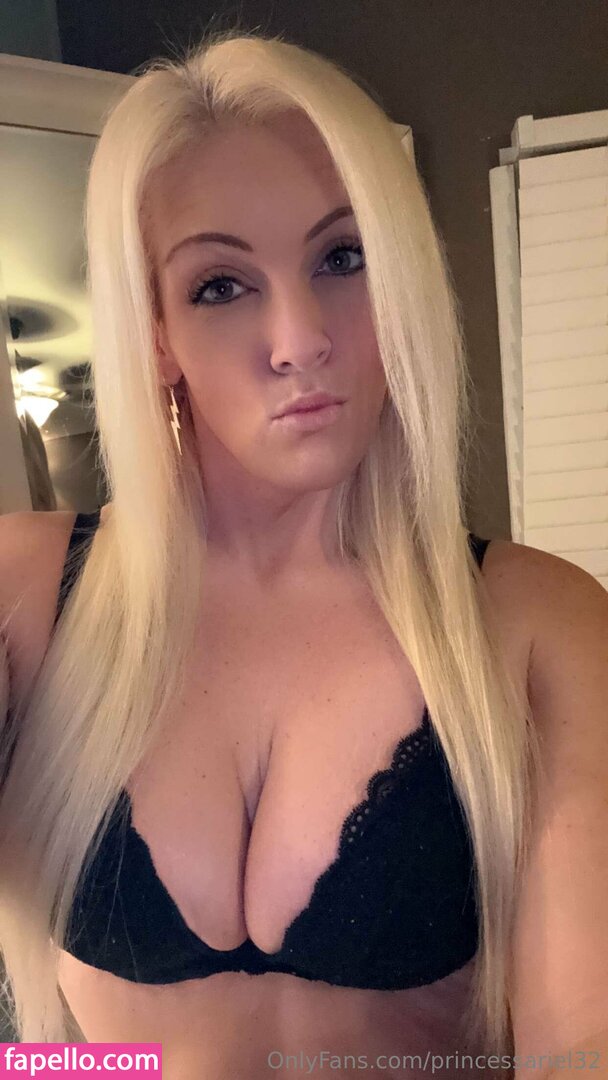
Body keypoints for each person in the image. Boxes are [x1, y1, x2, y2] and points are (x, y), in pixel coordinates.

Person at [0, 27, 607, 1080]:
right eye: (220, 285)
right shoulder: (23, 596)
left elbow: (581, 1047)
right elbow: (63, 1056)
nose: (300, 339)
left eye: (341, 258)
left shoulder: (535, 622)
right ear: (154, 331)